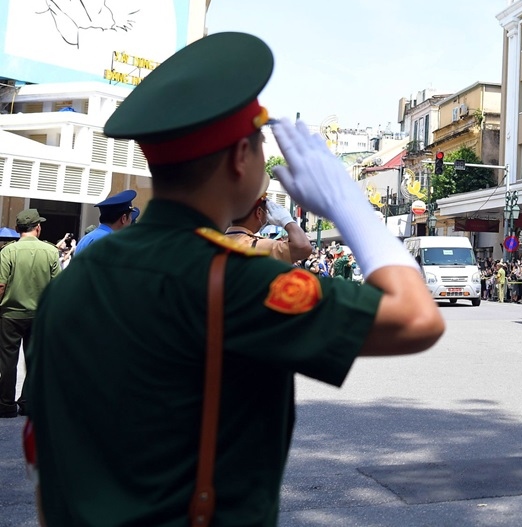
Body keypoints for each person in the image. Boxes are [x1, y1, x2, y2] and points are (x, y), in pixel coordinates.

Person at [25, 32, 444, 525]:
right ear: (240, 158)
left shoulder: (75, 278)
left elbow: (42, 444)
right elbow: (417, 317)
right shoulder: (232, 279)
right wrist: (353, 209)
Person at [0, 210, 61, 418]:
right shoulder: (51, 251)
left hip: (10, 314)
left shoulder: (8, 251)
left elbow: (1, 285)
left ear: (17, 229)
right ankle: (28, 402)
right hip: (39, 314)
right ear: (38, 227)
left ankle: (5, 404)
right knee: (34, 359)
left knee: (7, 360)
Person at [224, 193, 312, 263]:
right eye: (266, 211)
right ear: (259, 212)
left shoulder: (214, 242)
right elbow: (303, 247)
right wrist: (287, 220)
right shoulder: (257, 246)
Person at [72, 188, 138, 257]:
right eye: (130, 216)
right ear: (124, 218)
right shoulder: (113, 243)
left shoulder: (86, 239)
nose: (131, 220)